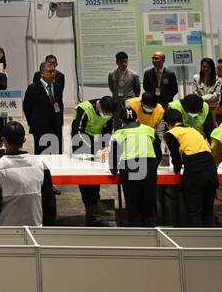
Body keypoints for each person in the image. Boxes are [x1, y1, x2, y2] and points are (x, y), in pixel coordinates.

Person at [0, 122, 56, 226]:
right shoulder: (41, 166)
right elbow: (50, 206)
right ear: (24, 139)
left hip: (6, 233)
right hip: (36, 232)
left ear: (4, 141)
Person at [163, 107, 216, 227]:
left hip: (195, 172)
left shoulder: (171, 133)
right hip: (210, 169)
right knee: (208, 211)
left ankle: (196, 243)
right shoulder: (194, 130)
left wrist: (177, 170)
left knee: (194, 212)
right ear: (182, 120)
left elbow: (176, 158)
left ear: (167, 124)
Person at [109, 104, 161, 227]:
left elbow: (114, 155)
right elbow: (158, 152)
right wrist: (154, 166)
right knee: (148, 205)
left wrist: (114, 170)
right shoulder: (149, 130)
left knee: (133, 206)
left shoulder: (119, 133)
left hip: (129, 168)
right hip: (148, 166)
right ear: (137, 119)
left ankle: (136, 236)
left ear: (121, 121)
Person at [70, 95, 114, 223]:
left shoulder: (109, 110)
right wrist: (95, 149)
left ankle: (95, 204)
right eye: (104, 113)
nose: (106, 116)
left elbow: (107, 129)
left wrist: (104, 145)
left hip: (97, 143)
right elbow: (77, 133)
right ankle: (89, 210)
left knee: (96, 175)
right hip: (81, 143)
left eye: (108, 114)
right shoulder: (84, 108)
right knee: (85, 178)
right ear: (99, 106)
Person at [22, 61, 63, 156]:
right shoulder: (33, 88)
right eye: (50, 72)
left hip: (56, 126)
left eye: (54, 72)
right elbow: (27, 107)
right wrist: (33, 123)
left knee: (56, 154)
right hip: (40, 128)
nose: (53, 74)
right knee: (42, 155)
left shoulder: (57, 87)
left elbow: (59, 105)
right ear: (42, 73)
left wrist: (59, 122)